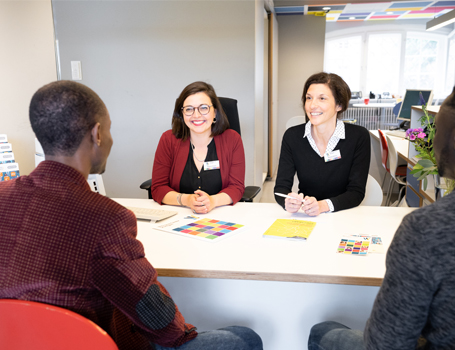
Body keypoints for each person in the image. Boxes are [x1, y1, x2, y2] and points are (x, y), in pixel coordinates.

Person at [0, 81, 262, 350]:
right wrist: (182, 333)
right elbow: (161, 322)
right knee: (245, 338)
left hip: (15, 340)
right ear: (97, 134)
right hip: (96, 341)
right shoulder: (107, 218)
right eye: (110, 128)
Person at [308, 71, 455, 349]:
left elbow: (385, 344)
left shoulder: (428, 228)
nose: (428, 138)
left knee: (323, 332)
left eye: (434, 130)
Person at [274, 72, 370, 216]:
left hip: (343, 214)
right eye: (309, 98)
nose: (312, 105)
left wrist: (322, 205)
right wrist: (287, 201)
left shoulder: (358, 137)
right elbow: (281, 188)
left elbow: (356, 192)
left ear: (339, 105)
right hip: (306, 215)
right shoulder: (292, 136)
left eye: (322, 98)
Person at [151, 81, 245, 214]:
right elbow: (158, 188)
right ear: (182, 115)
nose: (196, 115)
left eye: (204, 108)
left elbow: (236, 187)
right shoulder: (168, 140)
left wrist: (212, 201)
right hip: (178, 215)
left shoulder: (232, 139)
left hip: (221, 214)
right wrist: (187, 200)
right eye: (189, 109)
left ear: (215, 113)